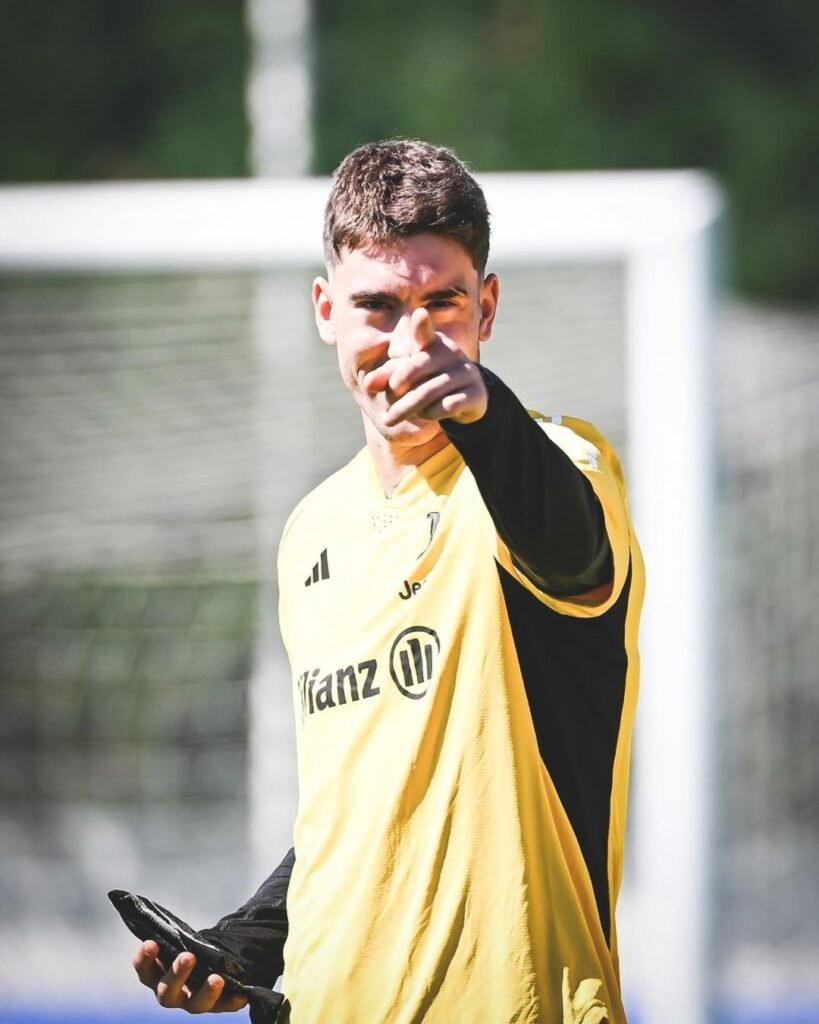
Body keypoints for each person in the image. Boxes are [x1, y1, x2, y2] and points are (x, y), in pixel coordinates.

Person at [131, 139, 644, 1023]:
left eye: (442, 302)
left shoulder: (557, 464)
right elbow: (362, 803)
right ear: (326, 310)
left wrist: (482, 409)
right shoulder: (312, 529)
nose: (411, 341)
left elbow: (570, 554)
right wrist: (245, 941)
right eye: (377, 305)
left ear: (487, 307)